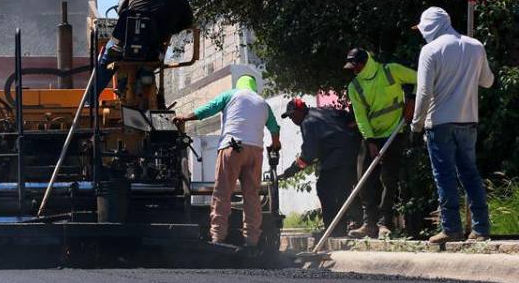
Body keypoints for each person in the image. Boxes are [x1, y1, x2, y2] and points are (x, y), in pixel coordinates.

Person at [411, 6, 495, 244]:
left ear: (429, 26)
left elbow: (425, 92)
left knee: (445, 176)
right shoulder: (476, 46)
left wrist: (416, 126)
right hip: (469, 120)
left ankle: (451, 229)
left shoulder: (430, 51)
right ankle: (481, 228)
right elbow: (488, 81)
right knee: (470, 173)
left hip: (439, 123)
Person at [173, 74, 281, 247]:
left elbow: (210, 108)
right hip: (255, 152)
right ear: (254, 87)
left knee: (223, 193)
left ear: (239, 85)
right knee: (252, 196)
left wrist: (186, 117)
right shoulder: (263, 103)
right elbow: (275, 129)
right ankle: (252, 240)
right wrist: (275, 145)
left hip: (232, 147)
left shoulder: (231, 94)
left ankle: (218, 236)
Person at [343, 47, 417, 238]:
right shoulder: (355, 86)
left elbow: (421, 79)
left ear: (365, 62)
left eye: (357, 65)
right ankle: (369, 224)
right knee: (364, 177)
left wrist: (412, 100)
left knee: (389, 179)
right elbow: (360, 117)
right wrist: (370, 140)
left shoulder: (390, 71)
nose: (354, 70)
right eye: (352, 67)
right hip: (372, 136)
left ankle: (385, 223)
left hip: (395, 132)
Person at [95, 0, 194, 95]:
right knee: (147, 64)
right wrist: (172, 28)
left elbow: (121, 11)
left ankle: (91, 98)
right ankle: (126, 86)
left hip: (123, 43)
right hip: (151, 50)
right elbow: (188, 21)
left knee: (105, 62)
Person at [278, 98, 362, 237]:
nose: (293, 119)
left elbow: (309, 154)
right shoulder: (326, 111)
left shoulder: (307, 122)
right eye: (290, 117)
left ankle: (332, 230)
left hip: (336, 160)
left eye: (293, 115)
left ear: (301, 111)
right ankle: (353, 225)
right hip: (354, 153)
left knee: (324, 189)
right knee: (346, 192)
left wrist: (289, 172)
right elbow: (350, 118)